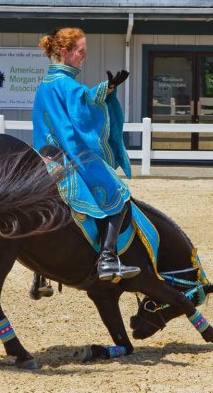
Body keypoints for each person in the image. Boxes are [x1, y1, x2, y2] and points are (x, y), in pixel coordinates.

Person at [32, 27, 140, 288]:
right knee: (118, 193)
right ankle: (107, 259)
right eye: (81, 52)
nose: (84, 57)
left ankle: (40, 273)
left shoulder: (44, 84)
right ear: (65, 52)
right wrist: (109, 87)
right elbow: (86, 103)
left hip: (44, 155)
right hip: (68, 155)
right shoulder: (66, 84)